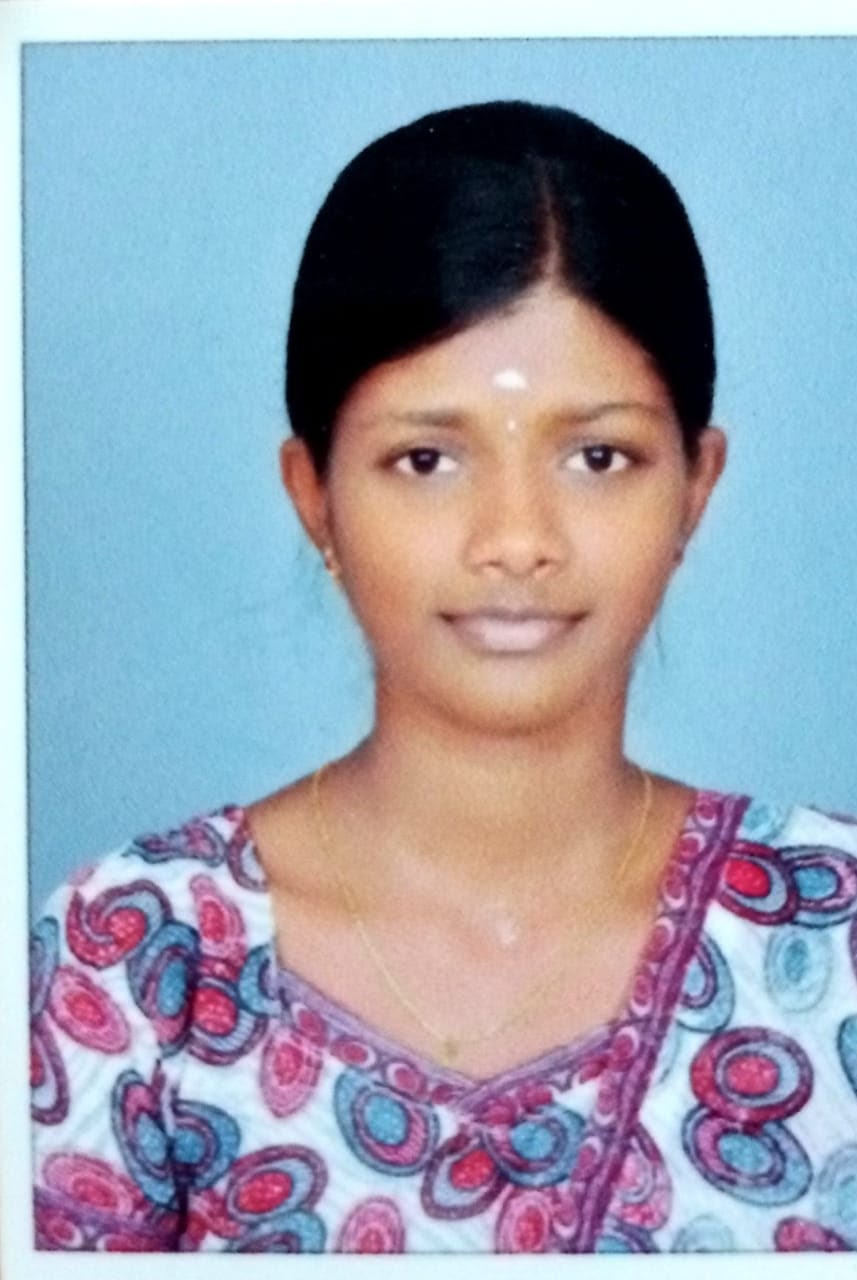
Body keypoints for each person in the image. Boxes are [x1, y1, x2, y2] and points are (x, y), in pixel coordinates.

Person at [30, 99, 857, 1255]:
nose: (514, 539)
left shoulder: (832, 939)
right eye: (424, 458)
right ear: (313, 493)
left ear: (694, 487)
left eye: (597, 455)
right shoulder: (139, 962)